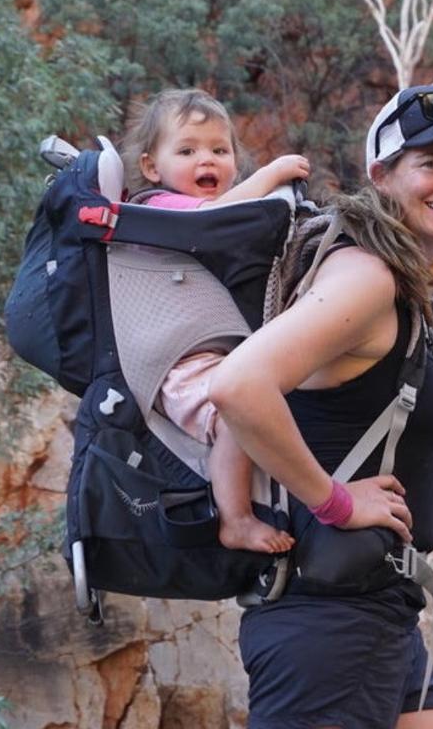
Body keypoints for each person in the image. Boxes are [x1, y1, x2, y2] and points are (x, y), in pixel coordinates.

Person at [207, 85, 433, 728]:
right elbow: (238, 386)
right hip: (329, 625)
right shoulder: (367, 277)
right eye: (431, 164)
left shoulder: (388, 279)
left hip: (378, 615)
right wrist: (336, 501)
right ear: (381, 173)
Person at [121, 87, 310, 554]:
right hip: (176, 364)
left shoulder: (194, 216)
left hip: (201, 350)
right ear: (151, 167)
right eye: (187, 151)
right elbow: (215, 217)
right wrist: (273, 175)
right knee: (236, 415)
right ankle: (236, 519)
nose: (206, 160)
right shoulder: (158, 209)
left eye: (219, 150)